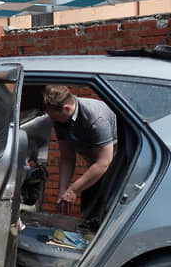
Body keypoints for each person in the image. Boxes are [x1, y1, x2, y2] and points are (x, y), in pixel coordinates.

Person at [42, 85, 117, 227]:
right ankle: (87, 229)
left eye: (56, 118)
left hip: (117, 156)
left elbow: (103, 163)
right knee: (88, 197)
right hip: (95, 159)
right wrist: (63, 190)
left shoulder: (95, 119)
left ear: (67, 109)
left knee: (102, 201)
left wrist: (73, 190)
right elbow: (67, 157)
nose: (54, 122)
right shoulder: (60, 118)